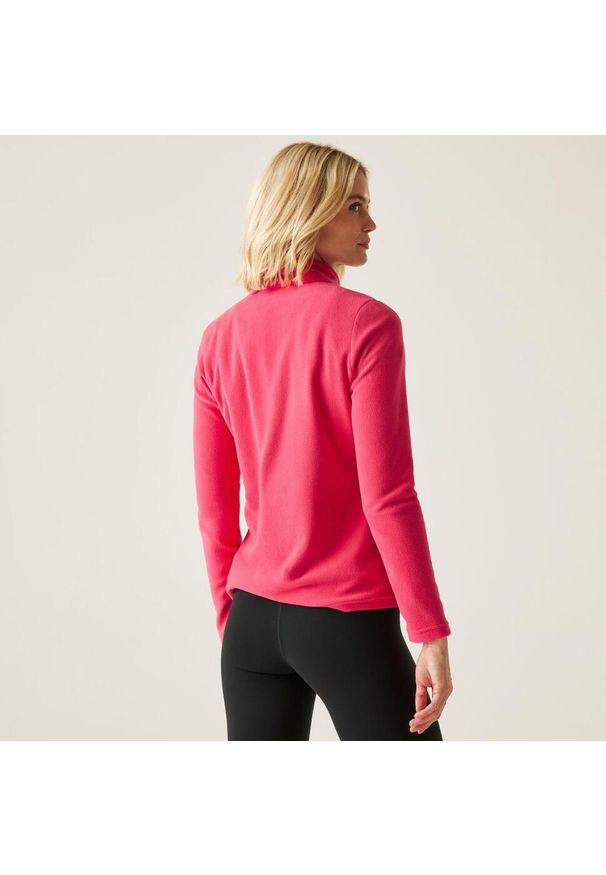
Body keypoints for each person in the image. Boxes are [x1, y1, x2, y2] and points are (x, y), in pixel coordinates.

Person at [193, 141, 454, 740]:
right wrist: (430, 631)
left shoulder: (219, 337)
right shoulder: (366, 322)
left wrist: (231, 617)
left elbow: (213, 512)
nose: (371, 223)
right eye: (355, 206)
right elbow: (388, 495)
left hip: (251, 623)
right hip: (346, 619)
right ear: (307, 211)